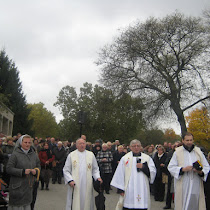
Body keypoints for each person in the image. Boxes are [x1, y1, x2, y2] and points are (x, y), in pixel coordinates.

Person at [168, 132, 210, 210]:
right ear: (183, 140)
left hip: (196, 184)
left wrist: (200, 172)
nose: (189, 142)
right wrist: (183, 169)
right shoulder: (177, 152)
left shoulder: (198, 152)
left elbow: (206, 166)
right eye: (187, 140)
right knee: (183, 204)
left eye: (191, 140)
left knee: (195, 204)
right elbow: (171, 167)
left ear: (193, 140)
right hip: (183, 184)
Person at [111, 139, 156, 210]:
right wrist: (121, 189)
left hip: (142, 187)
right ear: (130, 147)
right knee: (128, 205)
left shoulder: (147, 158)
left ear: (141, 147)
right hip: (129, 188)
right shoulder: (125, 158)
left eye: (138, 146)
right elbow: (120, 173)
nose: (136, 148)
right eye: (134, 146)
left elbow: (153, 172)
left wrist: (144, 167)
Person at [63, 138, 102, 210]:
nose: (82, 145)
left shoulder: (91, 155)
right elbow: (66, 170)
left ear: (86, 145)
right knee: (75, 202)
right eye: (80, 144)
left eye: (83, 143)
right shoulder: (71, 155)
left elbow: (95, 169)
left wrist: (98, 177)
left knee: (87, 201)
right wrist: (70, 180)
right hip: (75, 184)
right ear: (76, 145)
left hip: (87, 183)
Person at [6, 135, 40, 210]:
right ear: (21, 143)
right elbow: (8, 169)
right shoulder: (15, 154)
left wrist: (36, 171)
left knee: (28, 205)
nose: (27, 144)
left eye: (29, 142)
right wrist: (22, 171)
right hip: (17, 187)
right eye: (25, 142)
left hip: (29, 188)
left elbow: (38, 165)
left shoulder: (33, 154)